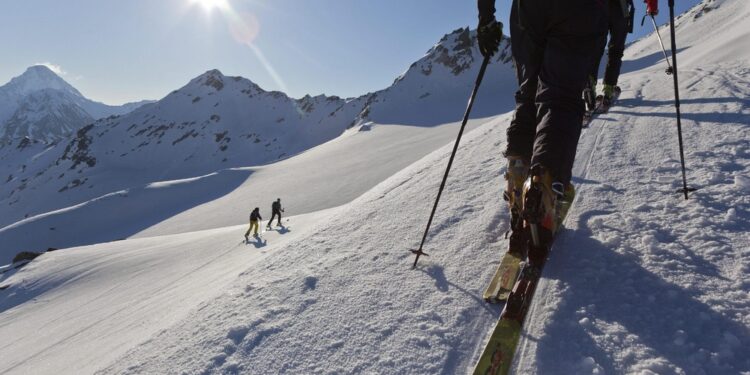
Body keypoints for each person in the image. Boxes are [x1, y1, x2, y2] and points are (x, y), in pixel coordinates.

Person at [477, 0, 608, 267]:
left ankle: (517, 185)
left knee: (528, 96)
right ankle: (542, 189)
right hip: (581, 11)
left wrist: (486, 18)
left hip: (530, 9)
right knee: (559, 97)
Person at [588, 0, 635, 110]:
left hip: (598, 6)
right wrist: (652, 6)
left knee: (595, 47)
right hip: (621, 7)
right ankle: (609, 89)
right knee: (616, 50)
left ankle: (590, 82)